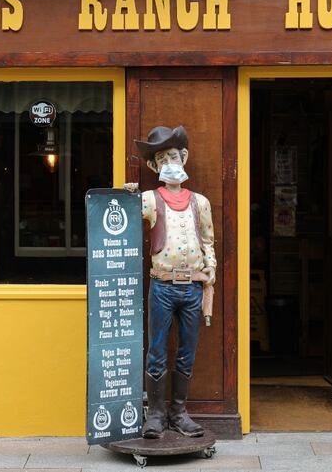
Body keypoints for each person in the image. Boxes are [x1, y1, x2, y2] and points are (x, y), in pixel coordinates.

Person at [126, 125, 216, 439]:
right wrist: (127, 196)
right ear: (155, 166)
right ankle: (155, 414)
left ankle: (179, 411)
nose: (170, 163)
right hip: (162, 286)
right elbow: (123, 216)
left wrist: (210, 269)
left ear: (184, 157)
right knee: (157, 350)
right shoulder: (150, 200)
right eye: (162, 159)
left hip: (192, 287)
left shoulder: (200, 202)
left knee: (187, 350)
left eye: (173, 156)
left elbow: (208, 240)